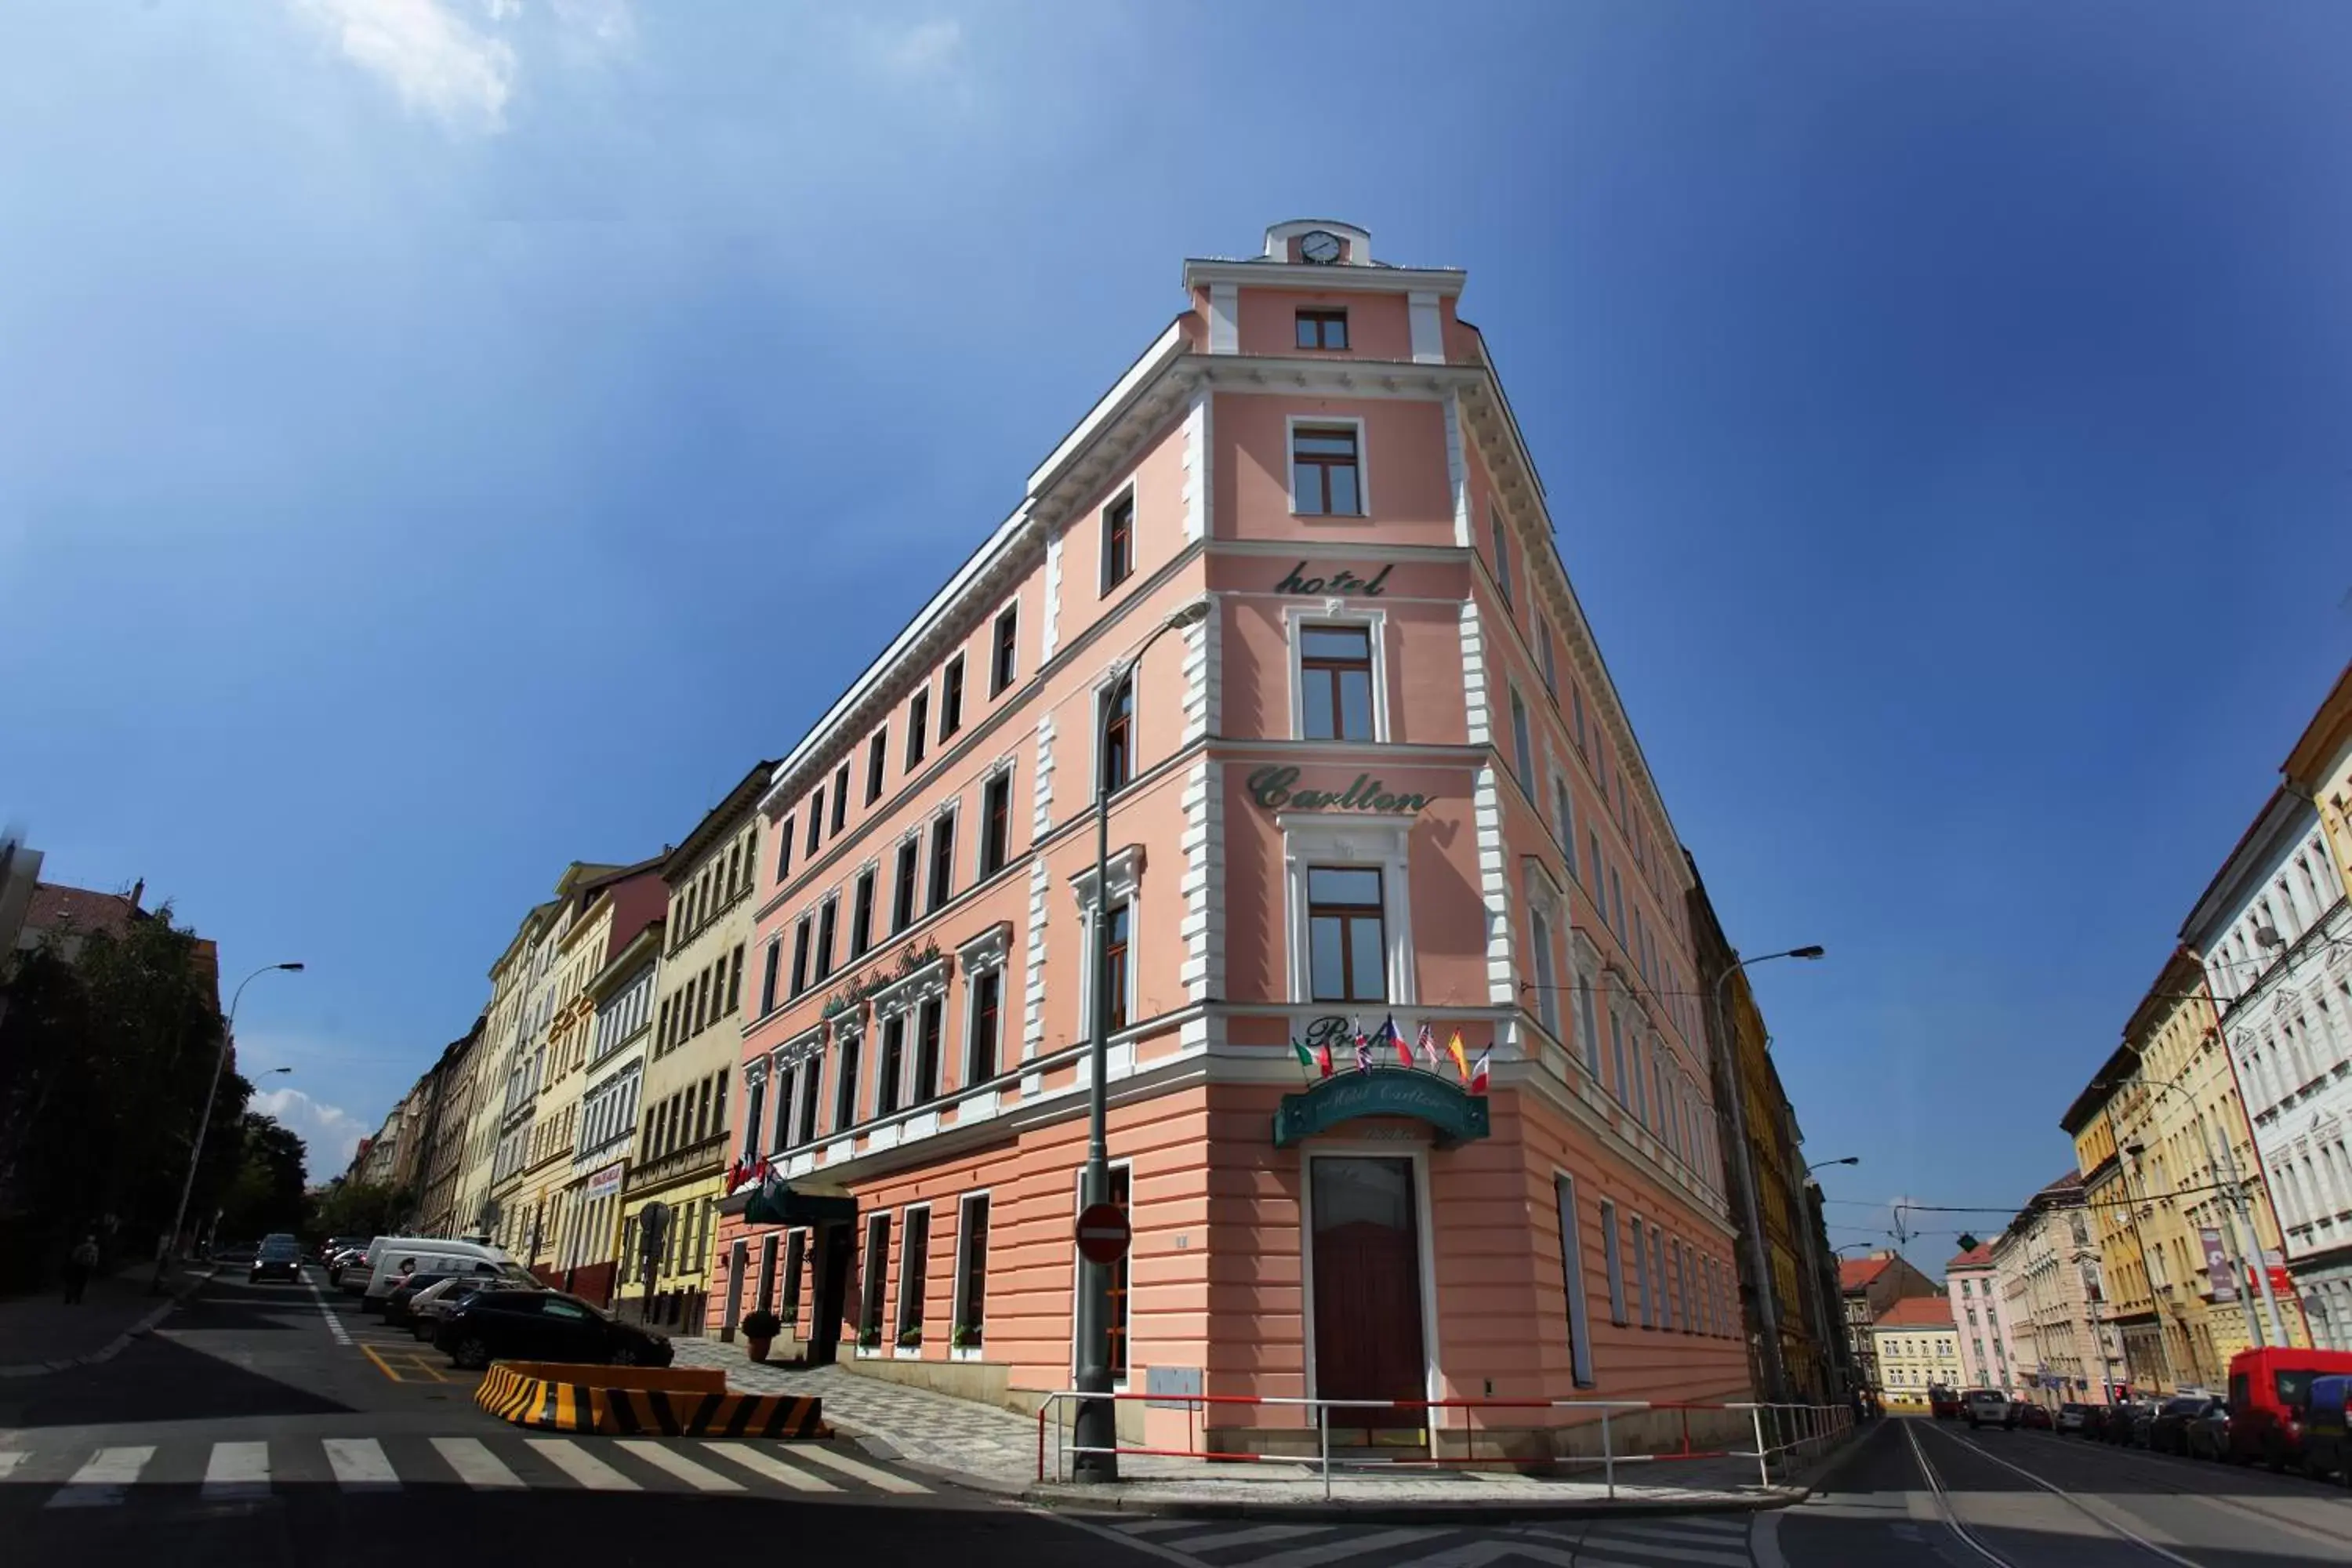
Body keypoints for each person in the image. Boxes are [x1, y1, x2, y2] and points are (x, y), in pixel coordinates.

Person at [64, 1234, 100, 1304]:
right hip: (86, 1266)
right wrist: (93, 1266)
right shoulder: (94, 1248)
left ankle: (69, 1297)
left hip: (78, 1265)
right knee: (82, 1283)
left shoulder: (81, 1247)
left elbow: (74, 1256)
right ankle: (77, 1298)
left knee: (73, 1282)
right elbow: (95, 1259)